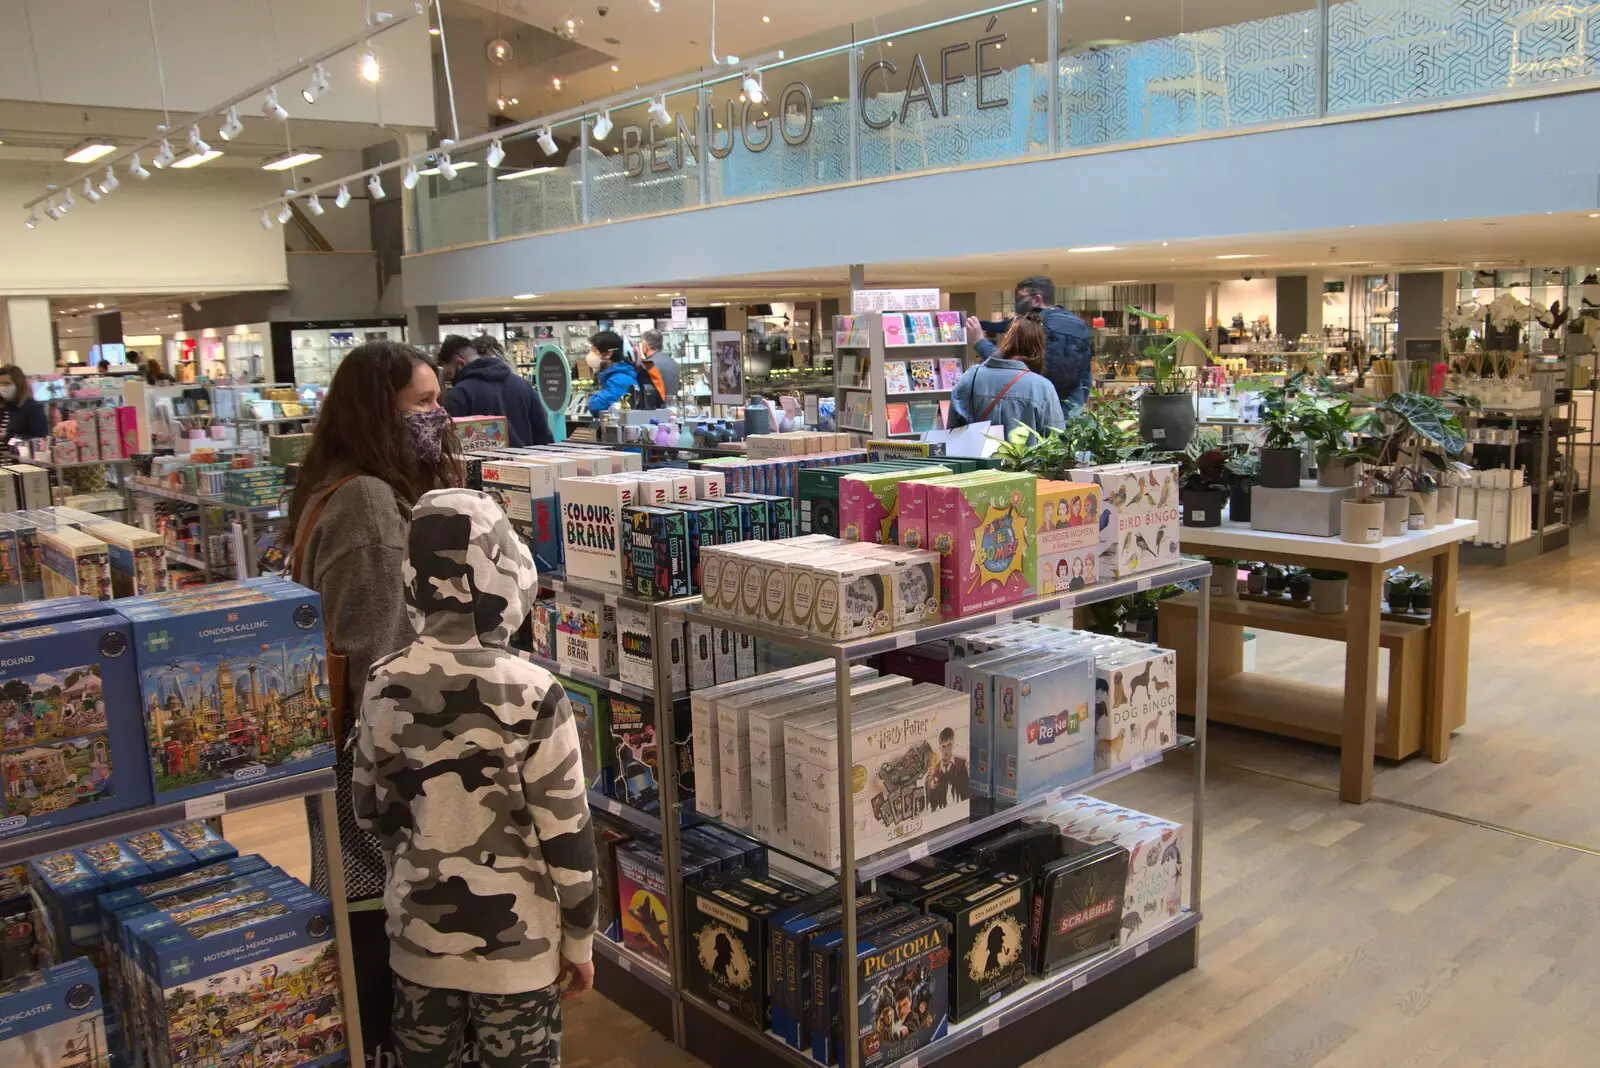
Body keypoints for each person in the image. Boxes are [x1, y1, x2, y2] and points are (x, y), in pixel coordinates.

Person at [354, 488, 596, 1068]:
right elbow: (569, 836)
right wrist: (580, 941)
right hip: (520, 952)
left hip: (416, 941)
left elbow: (370, 810)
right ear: (507, 573)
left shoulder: (383, 681)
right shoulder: (535, 692)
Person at [284, 340, 464, 1054]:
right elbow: (381, 661)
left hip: (348, 759)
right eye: (421, 403)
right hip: (368, 770)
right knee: (376, 927)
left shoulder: (336, 484)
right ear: (378, 413)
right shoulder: (366, 501)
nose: (438, 415)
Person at [967, 275, 1093, 416]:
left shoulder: (1032, 327)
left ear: (1037, 299)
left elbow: (1007, 364)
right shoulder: (1078, 324)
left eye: (1021, 298)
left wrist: (979, 341)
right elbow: (1086, 375)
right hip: (1071, 406)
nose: (1017, 303)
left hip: (1037, 403)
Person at [946, 312, 1065, 436]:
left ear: (1007, 342)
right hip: (1024, 455)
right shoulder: (1042, 388)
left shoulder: (972, 376)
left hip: (976, 454)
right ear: (1039, 349)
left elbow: (952, 431)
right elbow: (1056, 441)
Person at [443, 335, 554, 448]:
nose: (450, 380)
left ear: (460, 364)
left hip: (483, 465)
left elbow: (455, 450)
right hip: (528, 463)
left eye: (449, 374)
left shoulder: (459, 394)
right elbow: (545, 437)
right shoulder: (523, 385)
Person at [585, 330, 638, 417]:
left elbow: (596, 406)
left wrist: (592, 399)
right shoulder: (612, 375)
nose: (590, 355)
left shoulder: (621, 378)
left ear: (608, 353)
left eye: (594, 351)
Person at [0, 367, 49, 442]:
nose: (2, 387)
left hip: (19, 453)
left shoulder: (33, 408)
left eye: (7, 383)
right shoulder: (3, 407)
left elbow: (40, 441)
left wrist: (7, 437)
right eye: (0, 384)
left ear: (18, 384)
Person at [636, 329, 676, 408]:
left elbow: (645, 396)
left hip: (655, 411)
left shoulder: (647, 365)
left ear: (645, 345)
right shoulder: (673, 362)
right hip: (673, 408)